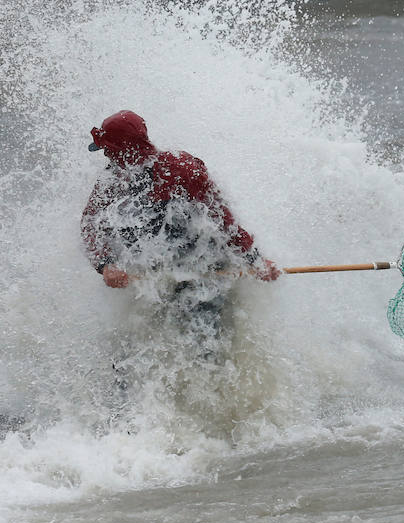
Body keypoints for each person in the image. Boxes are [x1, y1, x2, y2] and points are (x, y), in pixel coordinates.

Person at [81, 110, 279, 353]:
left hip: (204, 269)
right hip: (153, 275)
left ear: (126, 149)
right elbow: (91, 223)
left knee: (203, 346)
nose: (107, 155)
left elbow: (223, 220)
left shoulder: (182, 168)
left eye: (109, 148)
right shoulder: (111, 180)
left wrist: (255, 261)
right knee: (131, 350)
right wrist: (106, 264)